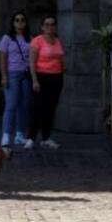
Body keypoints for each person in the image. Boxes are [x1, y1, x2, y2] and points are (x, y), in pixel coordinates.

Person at [28, 15, 65, 150]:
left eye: (52, 24)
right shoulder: (37, 41)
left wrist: (63, 69)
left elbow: (60, 58)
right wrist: (34, 80)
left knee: (50, 109)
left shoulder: (57, 41)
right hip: (41, 76)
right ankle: (31, 137)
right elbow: (32, 62)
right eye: (47, 24)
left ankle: (46, 137)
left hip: (56, 77)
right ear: (42, 27)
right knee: (38, 108)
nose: (50, 27)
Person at [0, 12, 31, 148]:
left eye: (22, 20)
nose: (20, 23)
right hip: (12, 74)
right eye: (17, 20)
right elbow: (2, 58)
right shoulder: (7, 38)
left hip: (26, 73)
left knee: (24, 106)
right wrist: (4, 76)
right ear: (13, 23)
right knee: (11, 104)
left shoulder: (29, 38)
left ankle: (19, 134)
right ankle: (6, 134)